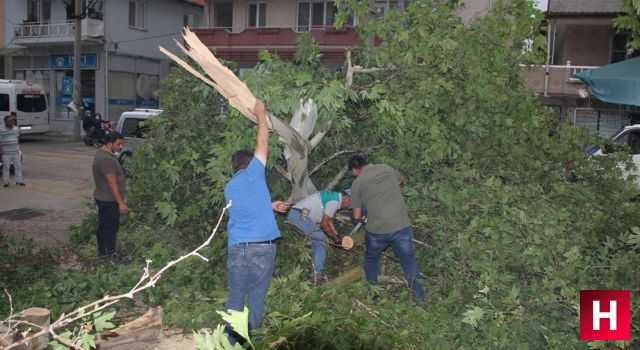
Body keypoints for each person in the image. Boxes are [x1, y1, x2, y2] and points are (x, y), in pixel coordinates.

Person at [223, 100, 289, 342]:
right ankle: (255, 342)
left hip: (237, 248)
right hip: (261, 249)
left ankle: (231, 343)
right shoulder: (254, 172)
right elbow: (263, 142)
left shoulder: (230, 187)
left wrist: (271, 206)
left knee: (236, 297)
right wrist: (261, 115)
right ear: (249, 163)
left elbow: (245, 212)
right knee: (257, 296)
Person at [348, 155, 425, 304]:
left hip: (378, 231)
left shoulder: (358, 183)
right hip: (401, 225)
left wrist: (366, 205)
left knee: (371, 261)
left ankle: (374, 295)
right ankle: (420, 298)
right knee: (409, 261)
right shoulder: (386, 168)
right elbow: (401, 179)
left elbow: (357, 215)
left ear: (356, 170)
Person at [287, 191, 351, 282]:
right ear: (347, 198)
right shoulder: (335, 201)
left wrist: (337, 237)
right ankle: (316, 274)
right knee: (321, 240)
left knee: (317, 240)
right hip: (301, 214)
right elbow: (324, 223)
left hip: (300, 213)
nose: (349, 208)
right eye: (350, 204)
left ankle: (315, 272)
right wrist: (334, 237)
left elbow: (329, 221)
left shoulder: (334, 198)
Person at [92, 132, 128, 259]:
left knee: (104, 226)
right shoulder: (107, 159)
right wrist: (121, 203)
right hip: (109, 200)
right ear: (109, 143)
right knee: (110, 228)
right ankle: (110, 255)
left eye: (122, 144)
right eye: (118, 144)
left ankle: (103, 254)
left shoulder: (103, 154)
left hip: (104, 197)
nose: (121, 147)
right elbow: (112, 183)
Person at [0, 115, 24, 187]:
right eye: (10, 121)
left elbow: (17, 138)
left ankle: (19, 181)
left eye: (13, 120)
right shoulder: (1, 129)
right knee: (6, 167)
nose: (12, 122)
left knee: (18, 166)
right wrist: (0, 150)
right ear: (6, 122)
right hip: (6, 152)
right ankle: (6, 182)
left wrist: (18, 148)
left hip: (16, 151)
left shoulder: (16, 129)